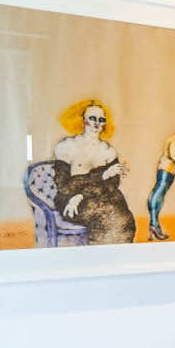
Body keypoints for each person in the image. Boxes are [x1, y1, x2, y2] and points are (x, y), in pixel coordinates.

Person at [51, 98, 137, 244]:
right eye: (92, 118)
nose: (97, 123)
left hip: (104, 198)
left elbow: (111, 185)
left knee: (124, 219)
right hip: (70, 199)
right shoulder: (66, 146)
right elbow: (64, 184)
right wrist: (102, 176)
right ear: (83, 120)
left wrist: (82, 194)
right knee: (104, 216)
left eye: (101, 120)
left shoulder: (108, 151)